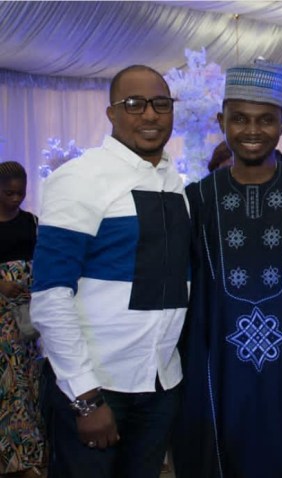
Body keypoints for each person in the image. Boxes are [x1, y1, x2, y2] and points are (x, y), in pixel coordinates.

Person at [172, 59, 282, 478]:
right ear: (222, 122)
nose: (252, 130)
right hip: (217, 372)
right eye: (239, 119)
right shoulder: (196, 202)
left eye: (265, 119)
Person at [30, 65, 190, 478]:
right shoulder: (80, 178)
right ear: (111, 113)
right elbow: (50, 295)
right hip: (98, 388)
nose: (150, 114)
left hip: (160, 385)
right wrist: (85, 397)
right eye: (134, 104)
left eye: (161, 103)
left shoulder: (174, 183)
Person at [0, 161, 44, 477]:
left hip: (27, 314)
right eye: (8, 193)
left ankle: (27, 456)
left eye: (21, 193)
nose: (16, 198)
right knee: (9, 384)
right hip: (3, 315)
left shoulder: (31, 222)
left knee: (27, 383)